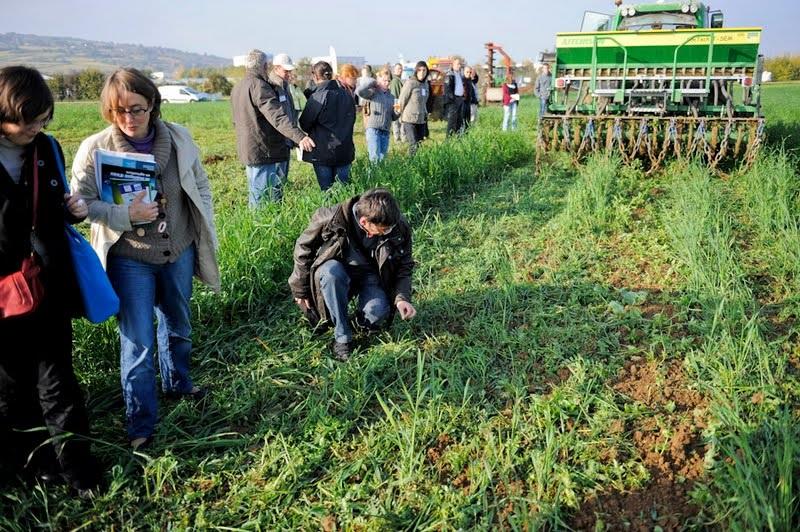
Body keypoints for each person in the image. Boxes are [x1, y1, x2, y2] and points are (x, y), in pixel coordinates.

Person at [71, 68, 220, 450]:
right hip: (129, 257)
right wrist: (125, 216)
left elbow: (199, 181)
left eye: (136, 109)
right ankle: (141, 423)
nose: (128, 119)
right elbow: (81, 204)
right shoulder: (95, 149)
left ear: (152, 104)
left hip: (178, 249)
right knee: (137, 341)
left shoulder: (180, 138)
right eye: (119, 111)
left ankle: (179, 383)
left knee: (178, 322)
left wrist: (203, 216)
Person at [0, 65, 100, 494]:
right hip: (3, 297)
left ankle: (76, 467)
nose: (34, 128)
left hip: (47, 285)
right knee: (10, 389)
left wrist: (71, 210)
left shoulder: (47, 148)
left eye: (42, 118)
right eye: (25, 121)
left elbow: (53, 207)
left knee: (58, 382)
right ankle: (32, 467)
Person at [288, 188, 416, 360]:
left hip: (372, 275)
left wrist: (401, 299)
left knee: (376, 314)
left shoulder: (397, 226)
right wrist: (300, 290)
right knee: (331, 272)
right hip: (337, 270)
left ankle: (356, 322)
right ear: (364, 222)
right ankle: (342, 336)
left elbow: (404, 266)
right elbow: (303, 249)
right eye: (384, 229)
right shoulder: (331, 218)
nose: (389, 232)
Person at [230, 50, 315, 206]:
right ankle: (262, 229)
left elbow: (235, 121)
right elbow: (278, 117)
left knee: (256, 194)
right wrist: (300, 137)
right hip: (263, 149)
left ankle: (261, 226)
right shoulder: (260, 86)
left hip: (249, 148)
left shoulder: (238, 87)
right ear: (265, 66)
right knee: (261, 200)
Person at [300, 62, 357, 191]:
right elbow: (352, 119)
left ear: (315, 76)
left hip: (323, 152)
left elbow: (304, 123)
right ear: (331, 75)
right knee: (343, 193)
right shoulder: (347, 95)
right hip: (345, 150)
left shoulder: (317, 97)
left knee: (327, 193)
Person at [356, 67, 399, 163]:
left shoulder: (391, 97)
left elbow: (393, 117)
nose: (387, 83)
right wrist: (373, 82)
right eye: (384, 80)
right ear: (379, 79)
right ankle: (371, 178)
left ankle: (378, 178)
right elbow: (359, 91)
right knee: (374, 159)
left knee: (382, 160)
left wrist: (398, 112)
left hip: (386, 131)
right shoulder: (373, 92)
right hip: (373, 129)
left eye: (388, 81)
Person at [397, 61, 430, 156]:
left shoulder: (426, 85)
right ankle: (410, 164)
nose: (422, 72)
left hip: (421, 119)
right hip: (409, 119)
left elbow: (425, 102)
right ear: (416, 71)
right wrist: (397, 115)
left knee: (419, 144)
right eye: (419, 70)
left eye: (424, 70)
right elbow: (401, 100)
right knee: (413, 144)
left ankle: (417, 164)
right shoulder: (410, 83)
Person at [443, 57, 467, 136]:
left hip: (460, 99)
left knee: (459, 120)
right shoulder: (449, 74)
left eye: (460, 64)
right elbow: (448, 89)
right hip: (453, 100)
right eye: (457, 64)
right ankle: (448, 139)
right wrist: (453, 99)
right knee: (452, 120)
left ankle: (458, 137)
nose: (459, 66)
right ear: (452, 65)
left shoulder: (459, 74)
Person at [389, 63, 405, 142]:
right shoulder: (395, 81)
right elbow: (395, 95)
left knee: (400, 121)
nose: (400, 70)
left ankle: (401, 138)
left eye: (401, 68)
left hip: (399, 102)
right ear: (394, 70)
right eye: (398, 68)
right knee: (397, 121)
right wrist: (398, 107)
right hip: (397, 103)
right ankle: (398, 138)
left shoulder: (398, 80)